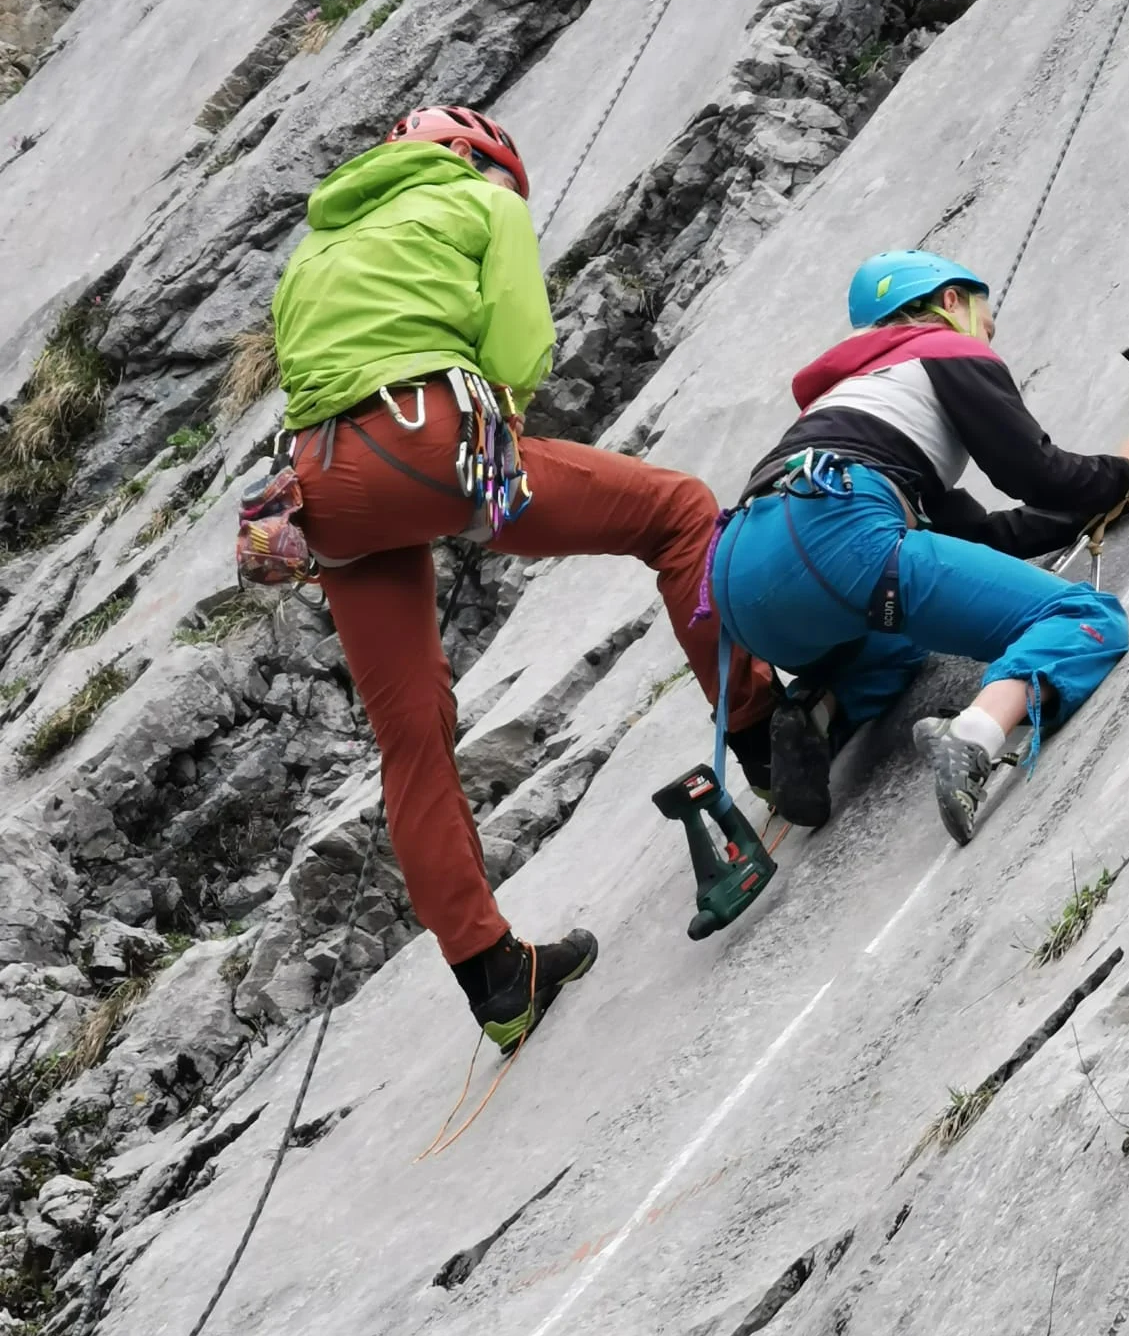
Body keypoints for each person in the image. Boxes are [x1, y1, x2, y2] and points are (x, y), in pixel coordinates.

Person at [269, 105, 783, 1049]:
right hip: (429, 444)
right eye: (509, 179)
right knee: (676, 512)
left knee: (411, 736)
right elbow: (516, 356)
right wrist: (483, 445)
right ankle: (766, 741)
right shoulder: (481, 200)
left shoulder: (316, 245)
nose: (514, 196)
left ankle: (497, 981)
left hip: (322, 494)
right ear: (471, 158)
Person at [707, 249, 1129, 843]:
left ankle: (819, 710)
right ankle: (974, 735)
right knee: (1083, 617)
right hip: (836, 533)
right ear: (950, 302)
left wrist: (1113, 499)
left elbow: (980, 538)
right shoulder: (945, 347)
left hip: (742, 580)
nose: (988, 337)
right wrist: (1122, 470)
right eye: (986, 322)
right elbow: (1037, 473)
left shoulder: (848, 402)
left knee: (902, 639)